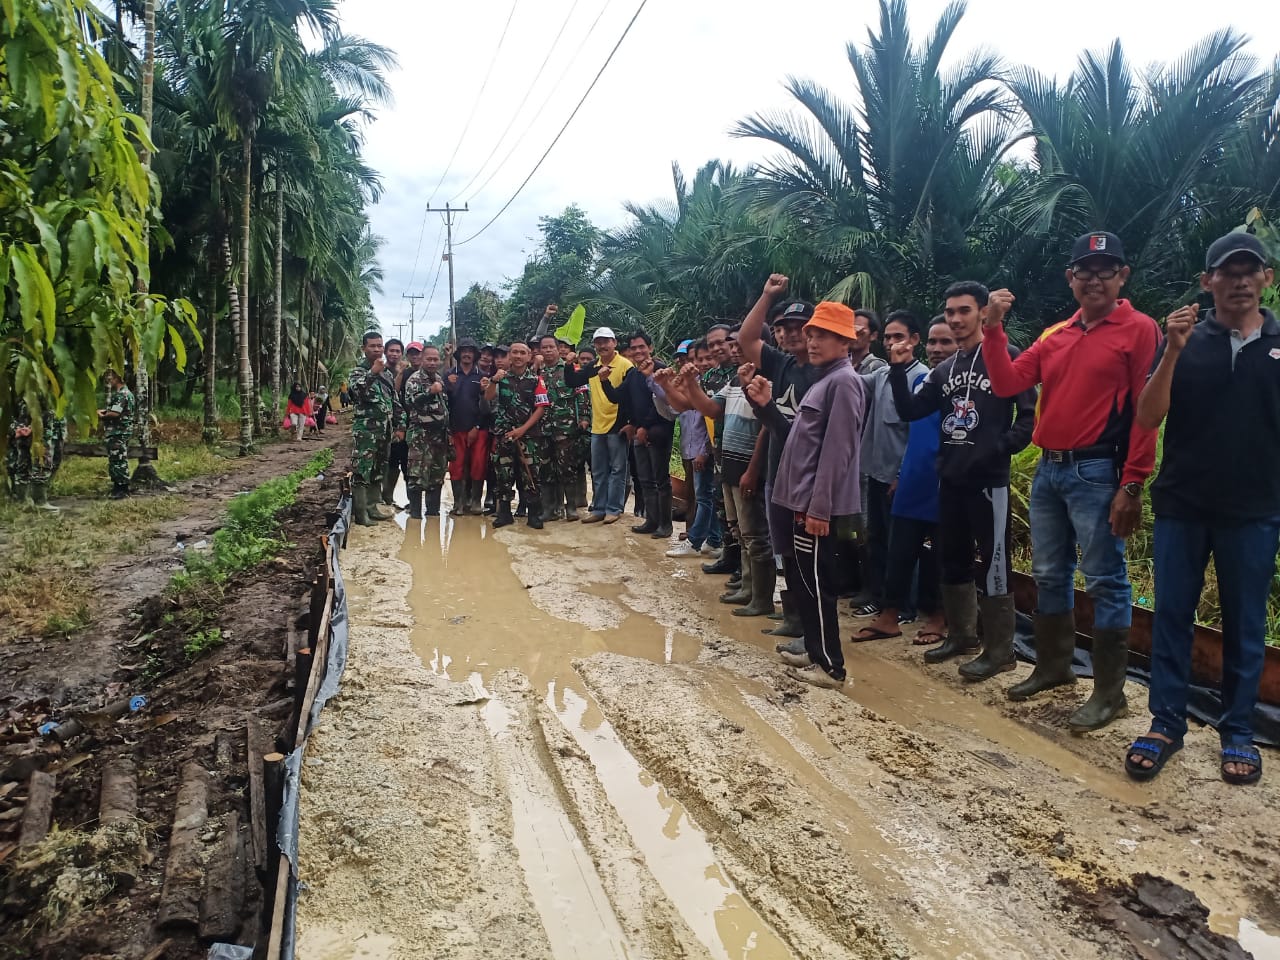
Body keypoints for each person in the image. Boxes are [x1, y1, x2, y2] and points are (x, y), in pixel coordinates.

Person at [982, 231, 1163, 731]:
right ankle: (1054, 666)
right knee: (1049, 572)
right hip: (1050, 468)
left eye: (1106, 270)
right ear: (1070, 277)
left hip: (1098, 470)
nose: (1094, 280)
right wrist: (993, 329)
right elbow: (1007, 382)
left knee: (1105, 578)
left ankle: (1109, 693)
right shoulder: (1054, 335)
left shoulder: (1140, 329)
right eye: (1085, 270)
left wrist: (1133, 482)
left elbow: (1147, 414)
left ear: (1122, 276)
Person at [1126, 232, 1277, 785]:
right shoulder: (1185, 340)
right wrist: (1172, 350)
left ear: (1267, 278)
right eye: (1227, 272)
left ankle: (1237, 730)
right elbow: (1147, 416)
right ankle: (1165, 722)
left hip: (1255, 511)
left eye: (1249, 271)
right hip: (1183, 505)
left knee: (1245, 623)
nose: (1239, 281)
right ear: (1207, 281)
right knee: (1172, 616)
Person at [888, 282, 1036, 678]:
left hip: (989, 481)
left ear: (984, 313)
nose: (954, 319)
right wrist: (899, 369)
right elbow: (910, 410)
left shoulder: (1007, 356)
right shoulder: (944, 370)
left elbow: (1028, 419)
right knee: (951, 557)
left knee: (995, 562)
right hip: (951, 478)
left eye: (963, 311)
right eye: (950, 311)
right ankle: (962, 635)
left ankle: (1001, 651)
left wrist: (996, 449)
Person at [763, 301, 866, 688]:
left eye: (823, 335)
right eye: (811, 334)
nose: (813, 341)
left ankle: (831, 667)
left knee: (819, 585)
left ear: (845, 342)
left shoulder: (844, 383)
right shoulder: (824, 382)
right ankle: (813, 648)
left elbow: (838, 452)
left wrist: (820, 508)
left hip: (816, 507)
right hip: (801, 503)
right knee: (805, 581)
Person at [857, 318, 957, 648]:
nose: (937, 349)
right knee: (899, 548)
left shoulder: (966, 385)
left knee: (944, 552)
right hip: (914, 475)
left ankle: (940, 616)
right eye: (933, 342)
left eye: (946, 342)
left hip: (945, 479)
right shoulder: (924, 381)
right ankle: (889, 614)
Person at [664, 328, 771, 616]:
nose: (731, 349)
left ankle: (761, 596)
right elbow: (710, 409)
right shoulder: (733, 380)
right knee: (739, 529)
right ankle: (747, 585)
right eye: (727, 344)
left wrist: (753, 469)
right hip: (727, 460)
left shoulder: (764, 377)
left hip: (749, 464)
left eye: (736, 344)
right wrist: (685, 383)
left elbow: (767, 425)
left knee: (754, 534)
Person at [737, 276, 817, 638]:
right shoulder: (782, 364)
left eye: (800, 326)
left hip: (808, 477)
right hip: (777, 472)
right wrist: (767, 295)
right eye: (784, 327)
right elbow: (746, 339)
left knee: (806, 554)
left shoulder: (827, 372)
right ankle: (794, 618)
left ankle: (811, 628)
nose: (791, 333)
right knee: (785, 550)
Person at [854, 310, 930, 626]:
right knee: (877, 538)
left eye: (898, 336)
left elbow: (918, 433)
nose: (890, 343)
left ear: (915, 340)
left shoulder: (922, 377)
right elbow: (851, 382)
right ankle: (880, 599)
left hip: (899, 477)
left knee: (902, 544)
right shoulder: (883, 374)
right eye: (887, 337)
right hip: (875, 471)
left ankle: (904, 607)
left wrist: (901, 475)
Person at [606, 331, 674, 537]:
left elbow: (662, 402)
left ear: (650, 348)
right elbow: (618, 398)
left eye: (641, 346)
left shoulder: (660, 369)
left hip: (659, 430)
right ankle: (651, 521)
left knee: (661, 479)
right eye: (633, 348)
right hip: (640, 431)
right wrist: (604, 381)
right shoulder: (633, 374)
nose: (637, 351)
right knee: (645, 480)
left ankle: (665, 525)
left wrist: (643, 426)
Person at [565, 327, 635, 524]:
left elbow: (629, 397)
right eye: (598, 342)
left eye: (606, 341)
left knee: (618, 469)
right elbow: (572, 381)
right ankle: (599, 508)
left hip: (617, 424)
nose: (602, 346)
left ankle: (614, 509)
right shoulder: (593, 366)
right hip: (597, 425)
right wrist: (569, 364)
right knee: (598, 470)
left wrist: (630, 422)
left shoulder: (626, 365)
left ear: (614, 343)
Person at [484, 341, 550, 528]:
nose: (518, 356)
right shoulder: (501, 377)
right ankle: (504, 514)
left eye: (522, 353)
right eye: (515, 352)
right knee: (503, 473)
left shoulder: (536, 380)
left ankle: (533, 514)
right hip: (504, 434)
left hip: (528, 436)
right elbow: (488, 397)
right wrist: (493, 381)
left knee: (530, 474)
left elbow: (541, 408)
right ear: (509, 356)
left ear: (529, 357)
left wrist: (523, 429)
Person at [666, 341, 721, 557]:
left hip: (707, 450)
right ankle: (714, 540)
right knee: (707, 496)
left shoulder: (716, 383)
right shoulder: (699, 382)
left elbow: (712, 421)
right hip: (697, 449)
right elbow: (675, 408)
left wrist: (704, 451)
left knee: (705, 497)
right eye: (698, 359)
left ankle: (695, 541)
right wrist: (666, 386)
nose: (702, 363)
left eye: (708, 358)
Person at [348, 331, 394, 526]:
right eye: (372, 346)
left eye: (379, 346)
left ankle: (373, 507)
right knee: (362, 470)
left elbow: (392, 400)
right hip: (366, 432)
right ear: (364, 348)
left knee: (378, 469)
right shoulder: (358, 372)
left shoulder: (387, 373)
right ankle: (361, 514)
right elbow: (355, 392)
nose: (377, 349)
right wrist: (372, 373)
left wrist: (399, 424)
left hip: (384, 430)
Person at [538, 333, 583, 521]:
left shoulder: (569, 369)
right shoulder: (537, 373)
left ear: (558, 349)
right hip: (543, 429)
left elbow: (581, 395)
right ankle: (549, 510)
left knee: (567, 468)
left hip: (566, 428)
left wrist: (584, 418)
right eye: (544, 347)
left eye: (551, 347)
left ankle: (571, 507)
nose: (548, 350)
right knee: (546, 470)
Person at [445, 338, 488, 515]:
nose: (467, 354)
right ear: (459, 354)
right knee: (456, 466)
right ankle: (458, 503)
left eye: (470, 351)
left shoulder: (482, 376)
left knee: (478, 464)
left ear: (475, 355)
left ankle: (476, 501)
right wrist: (448, 385)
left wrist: (476, 426)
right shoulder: (449, 375)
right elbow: (444, 403)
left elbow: (486, 406)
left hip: (478, 429)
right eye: (464, 351)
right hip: (456, 429)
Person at [6, 400, 63, 510]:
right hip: (32, 426)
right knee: (36, 461)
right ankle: (37, 501)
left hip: (33, 425)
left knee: (26, 462)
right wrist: (16, 427)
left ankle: (25, 500)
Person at [380, 339, 410, 507]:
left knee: (404, 461)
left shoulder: (409, 372)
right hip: (385, 424)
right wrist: (400, 373)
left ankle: (407, 501)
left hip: (404, 424)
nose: (394, 354)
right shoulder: (380, 371)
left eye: (398, 351)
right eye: (391, 350)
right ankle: (385, 497)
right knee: (388, 461)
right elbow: (394, 392)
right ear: (386, 352)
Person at [98, 368, 136, 499]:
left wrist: (102, 415)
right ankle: (118, 486)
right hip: (121, 431)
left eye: (112, 377)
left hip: (118, 431)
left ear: (118, 378)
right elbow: (117, 410)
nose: (109, 380)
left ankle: (122, 488)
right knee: (117, 458)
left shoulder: (122, 394)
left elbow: (115, 413)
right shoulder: (126, 393)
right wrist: (106, 411)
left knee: (118, 460)